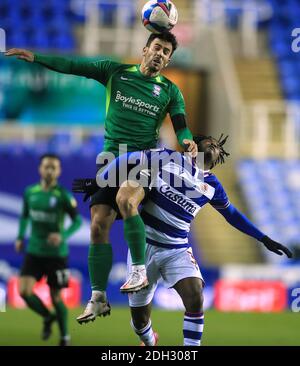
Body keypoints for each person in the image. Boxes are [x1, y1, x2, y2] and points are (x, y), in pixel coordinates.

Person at [5, 32, 197, 323]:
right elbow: (72, 66)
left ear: (169, 59)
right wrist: (37, 58)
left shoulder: (170, 90)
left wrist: (187, 141)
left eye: (166, 51)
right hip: (110, 160)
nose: (160, 53)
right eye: (157, 47)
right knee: (97, 225)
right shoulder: (115, 72)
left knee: (126, 200)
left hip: (144, 160)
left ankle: (138, 271)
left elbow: (181, 126)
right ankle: (97, 298)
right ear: (145, 49)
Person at [96, 135, 293, 346]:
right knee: (139, 321)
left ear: (218, 159)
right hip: (145, 246)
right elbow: (130, 158)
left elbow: (233, 215)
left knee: (195, 296)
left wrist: (263, 238)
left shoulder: (212, 186)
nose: (214, 145)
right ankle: (150, 340)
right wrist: (102, 179)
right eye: (209, 141)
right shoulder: (168, 158)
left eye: (217, 146)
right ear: (195, 147)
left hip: (177, 249)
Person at [15, 154, 82, 346]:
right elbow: (25, 216)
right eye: (47, 167)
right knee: (24, 291)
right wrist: (20, 236)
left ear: (59, 171)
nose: (50, 170)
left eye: (54, 167)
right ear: (40, 169)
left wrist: (63, 235)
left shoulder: (62, 195)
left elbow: (77, 221)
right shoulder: (30, 192)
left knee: (56, 297)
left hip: (56, 254)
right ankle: (47, 316)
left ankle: (64, 337)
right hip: (34, 250)